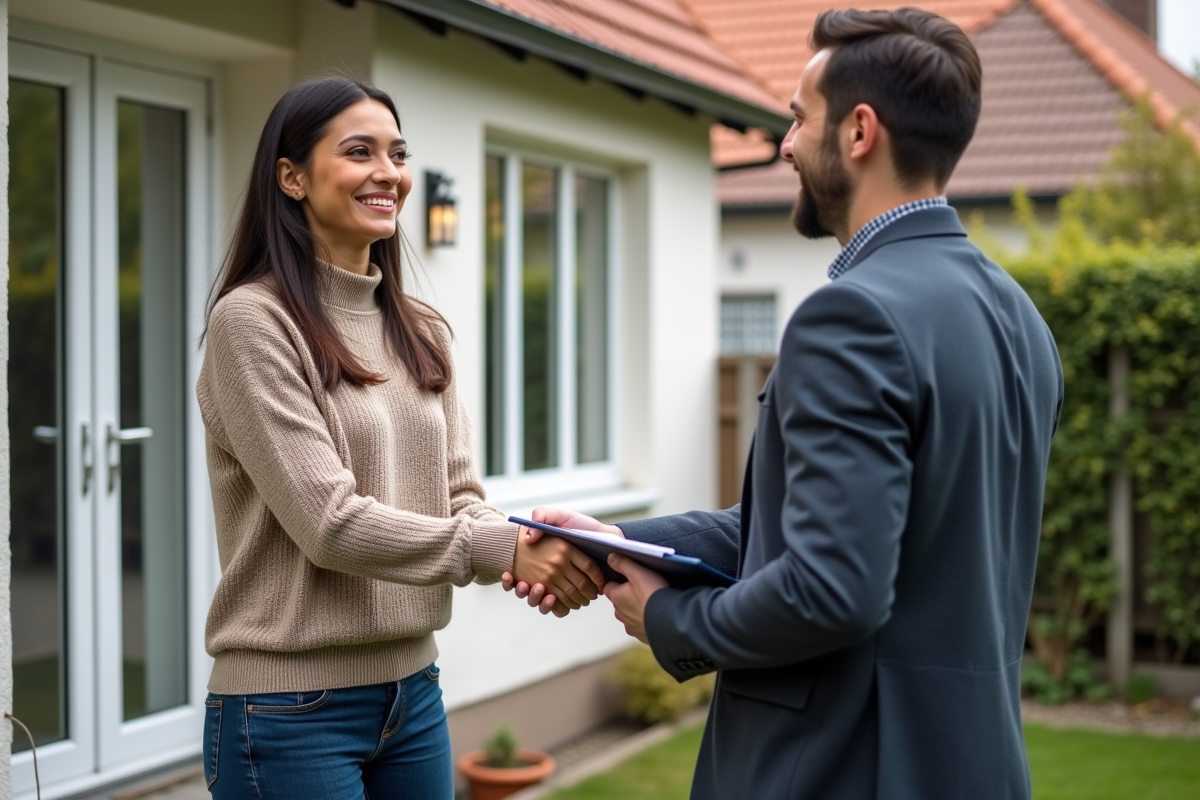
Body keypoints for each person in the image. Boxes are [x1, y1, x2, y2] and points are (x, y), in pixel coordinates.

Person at [504, 8, 1064, 799]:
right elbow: (816, 523)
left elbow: (832, 589)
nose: (785, 144)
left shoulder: (855, 316)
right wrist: (620, 541)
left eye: (799, 118)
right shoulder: (1021, 321)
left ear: (859, 131)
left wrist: (672, 624)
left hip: (843, 767)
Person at [197, 77, 604, 800]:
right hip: (289, 710)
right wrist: (503, 550)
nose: (389, 173)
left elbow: (462, 501)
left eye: (398, 153)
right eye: (360, 152)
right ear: (291, 178)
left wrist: (537, 546)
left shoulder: (421, 328)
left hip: (412, 695)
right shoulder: (253, 323)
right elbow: (327, 524)